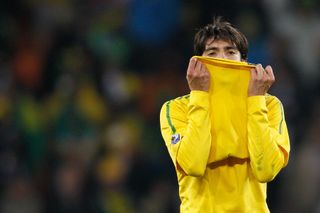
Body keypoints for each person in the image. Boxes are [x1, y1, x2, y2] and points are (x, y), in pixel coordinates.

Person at [159, 17, 290, 213]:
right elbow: (193, 164)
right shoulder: (175, 108)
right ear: (198, 63)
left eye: (230, 52)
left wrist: (255, 100)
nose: (222, 59)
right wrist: (199, 95)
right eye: (212, 52)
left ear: (243, 61)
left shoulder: (269, 104)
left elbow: (266, 170)